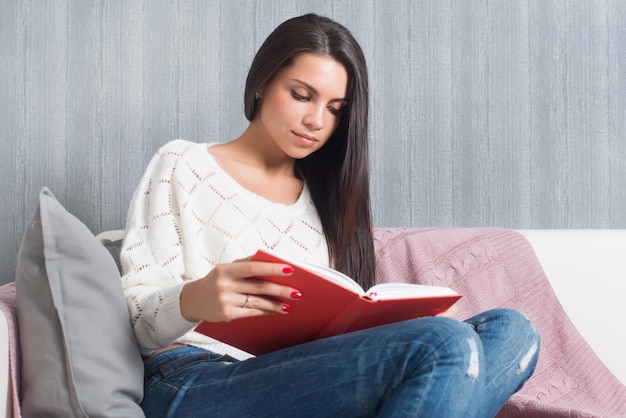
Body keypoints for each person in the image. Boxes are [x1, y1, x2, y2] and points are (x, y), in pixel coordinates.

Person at [120, 13, 539, 417]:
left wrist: (412, 324)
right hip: (191, 379)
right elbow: (135, 321)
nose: (316, 121)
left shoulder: (329, 202)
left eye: (335, 108)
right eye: (301, 95)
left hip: (303, 380)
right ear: (262, 83)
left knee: (513, 332)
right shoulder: (182, 164)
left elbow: (334, 340)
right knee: (446, 344)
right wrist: (194, 299)